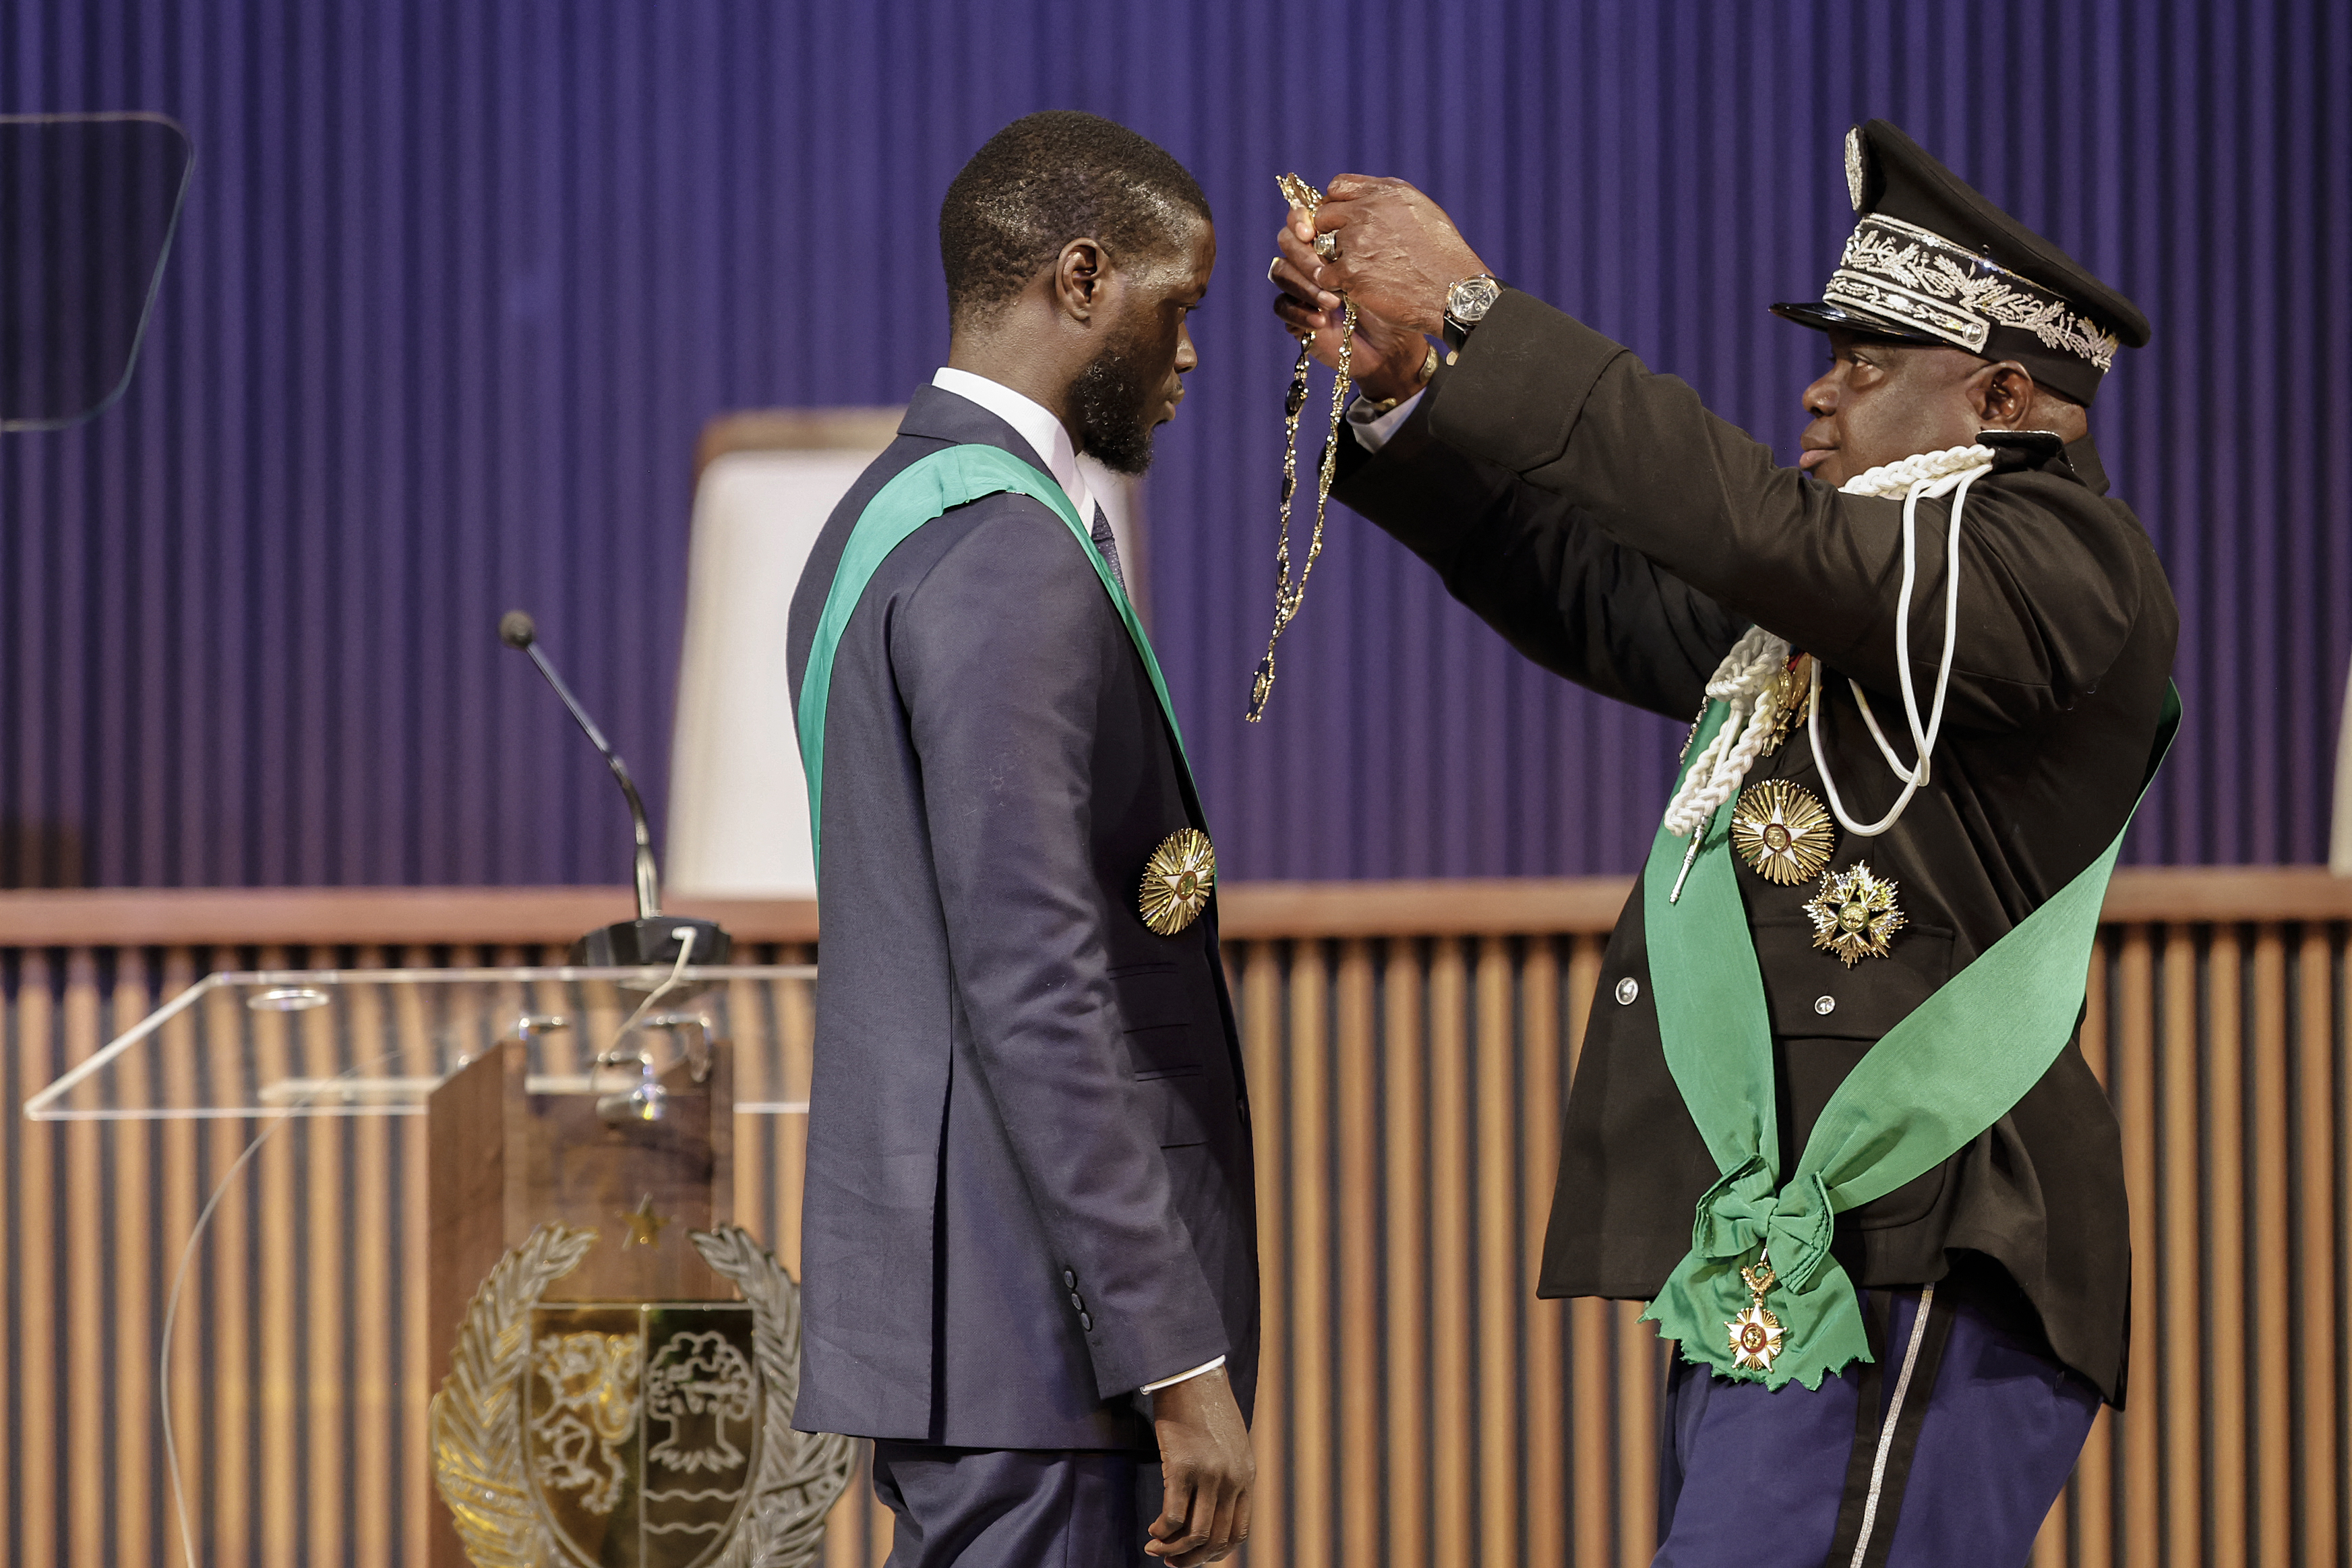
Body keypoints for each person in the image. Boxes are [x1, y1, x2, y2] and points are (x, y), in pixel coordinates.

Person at [1270, 120, 2175, 1566]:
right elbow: (1599, 588)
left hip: (1927, 1227)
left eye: (1867, 363)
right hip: (1789, 1241)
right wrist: (1411, 399)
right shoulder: (1849, 583)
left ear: (2005, 396)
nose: (1817, 394)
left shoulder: (2061, 561)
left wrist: (1485, 318)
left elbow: (1755, 528)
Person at [787, 111, 1252, 1568]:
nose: (1188, 360)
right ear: (1081, 277)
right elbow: (1034, 978)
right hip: (1044, 1337)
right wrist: (1173, 1350)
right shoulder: (1007, 545)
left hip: (962, 1321)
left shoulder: (872, 518)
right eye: (1176, 311)